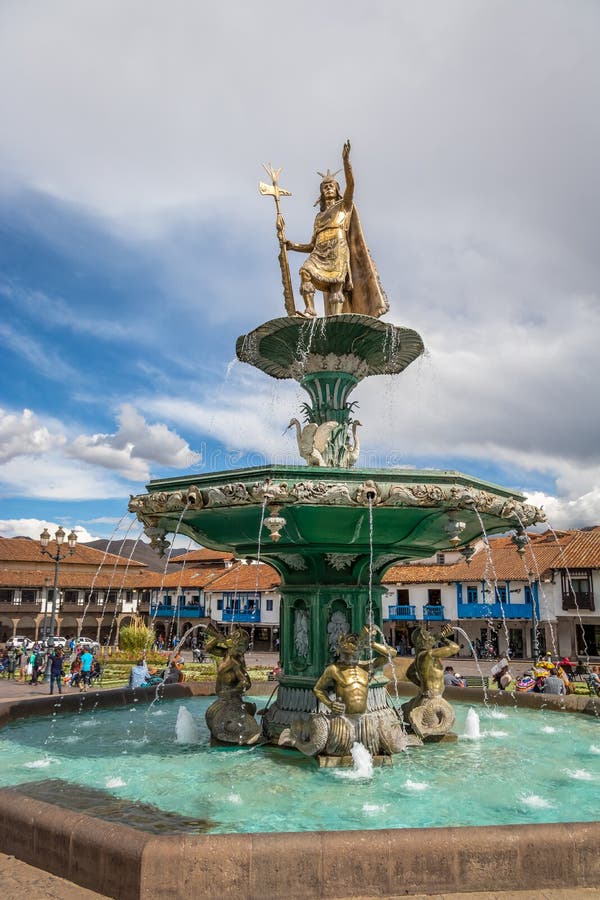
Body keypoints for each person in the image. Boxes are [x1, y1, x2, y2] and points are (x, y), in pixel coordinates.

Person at [285, 141, 388, 319]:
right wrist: (292, 245)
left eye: (331, 186)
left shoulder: (344, 206)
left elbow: (352, 185)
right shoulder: (319, 217)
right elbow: (311, 245)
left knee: (336, 285)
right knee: (305, 271)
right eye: (325, 187)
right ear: (322, 193)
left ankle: (336, 318)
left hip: (338, 248)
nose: (328, 188)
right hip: (320, 250)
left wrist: (346, 162)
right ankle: (310, 310)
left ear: (337, 189)